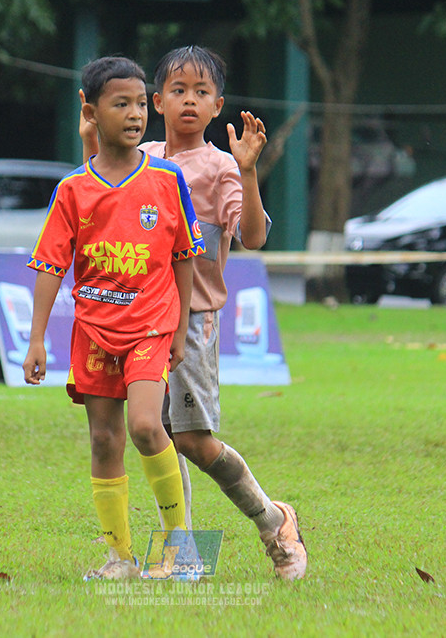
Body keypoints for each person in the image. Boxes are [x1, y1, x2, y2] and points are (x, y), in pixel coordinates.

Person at [81, 45, 307, 580]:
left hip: (193, 319)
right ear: (156, 101)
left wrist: (249, 174)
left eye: (201, 92)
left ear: (217, 104)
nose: (189, 101)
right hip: (139, 319)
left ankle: (274, 519)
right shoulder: (144, 155)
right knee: (153, 433)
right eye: (178, 91)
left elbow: (252, 237)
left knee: (190, 439)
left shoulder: (220, 165)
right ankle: (181, 555)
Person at [24, 56, 206, 580]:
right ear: (90, 111)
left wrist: (181, 326)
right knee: (105, 440)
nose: (134, 115)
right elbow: (49, 266)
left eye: (139, 103)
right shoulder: (73, 190)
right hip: (94, 332)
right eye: (119, 103)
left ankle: (180, 548)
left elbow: (184, 258)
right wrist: (37, 340)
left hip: (150, 325)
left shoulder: (168, 181)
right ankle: (120, 559)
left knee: (148, 425)